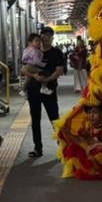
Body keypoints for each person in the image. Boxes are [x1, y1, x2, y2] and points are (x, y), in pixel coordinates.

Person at [25, 27, 66, 158]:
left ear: (52, 38)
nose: (46, 38)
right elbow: (23, 69)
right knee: (35, 120)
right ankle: (38, 148)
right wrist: (34, 76)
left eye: (49, 36)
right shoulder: (33, 50)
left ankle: (63, 148)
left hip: (49, 90)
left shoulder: (56, 53)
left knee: (54, 119)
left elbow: (59, 71)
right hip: (33, 90)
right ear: (40, 36)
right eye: (44, 35)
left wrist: (46, 80)